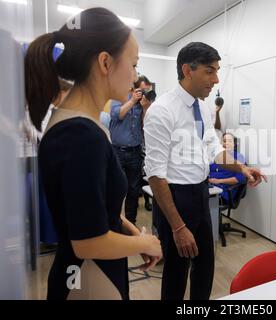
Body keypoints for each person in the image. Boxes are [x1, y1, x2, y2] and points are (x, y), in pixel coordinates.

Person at [24, 7, 161, 300]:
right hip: (88, 280)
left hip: (92, 273)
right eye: (134, 64)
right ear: (105, 62)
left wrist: (132, 232)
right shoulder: (80, 135)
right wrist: (145, 244)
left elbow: (95, 209)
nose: (136, 77)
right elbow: (88, 242)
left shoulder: (81, 125)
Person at [144, 42, 267, 300]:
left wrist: (241, 167)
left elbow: (213, 149)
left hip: (201, 194)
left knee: (204, 267)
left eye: (217, 71)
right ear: (188, 70)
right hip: (174, 199)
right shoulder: (162, 110)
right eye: (210, 71)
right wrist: (178, 228)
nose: (216, 79)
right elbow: (155, 174)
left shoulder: (202, 107)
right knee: (176, 273)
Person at [110, 75, 153, 225]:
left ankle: (131, 223)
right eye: (142, 90)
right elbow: (117, 115)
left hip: (135, 152)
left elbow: (146, 125)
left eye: (146, 90)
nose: (144, 93)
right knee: (116, 189)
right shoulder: (120, 96)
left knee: (133, 191)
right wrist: (132, 100)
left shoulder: (142, 104)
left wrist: (145, 107)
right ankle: (114, 223)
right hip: (117, 152)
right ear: (135, 88)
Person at [209, 133, 246, 204]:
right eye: (224, 141)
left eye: (230, 141)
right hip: (211, 188)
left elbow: (240, 179)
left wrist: (219, 181)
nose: (227, 143)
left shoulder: (238, 157)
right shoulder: (217, 156)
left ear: (234, 144)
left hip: (223, 193)